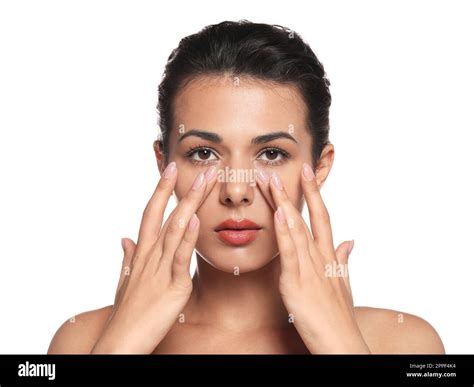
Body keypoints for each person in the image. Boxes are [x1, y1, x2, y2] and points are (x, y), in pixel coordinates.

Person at [48, 20, 445, 354]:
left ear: (319, 167)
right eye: (203, 153)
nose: (236, 192)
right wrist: (123, 343)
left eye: (271, 154)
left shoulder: (404, 343)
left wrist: (341, 344)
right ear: (163, 164)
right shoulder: (83, 340)